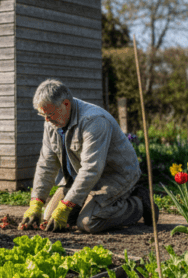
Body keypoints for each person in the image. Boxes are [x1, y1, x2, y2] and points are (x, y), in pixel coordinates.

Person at [20, 79, 156, 233]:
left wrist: (66, 206)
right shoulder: (52, 120)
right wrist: (36, 203)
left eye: (49, 114)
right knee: (48, 217)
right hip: (83, 176)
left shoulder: (94, 121)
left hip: (115, 176)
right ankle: (89, 204)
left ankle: (138, 203)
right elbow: (47, 164)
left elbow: (91, 169)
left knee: (88, 223)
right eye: (42, 114)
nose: (46, 119)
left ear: (65, 104)